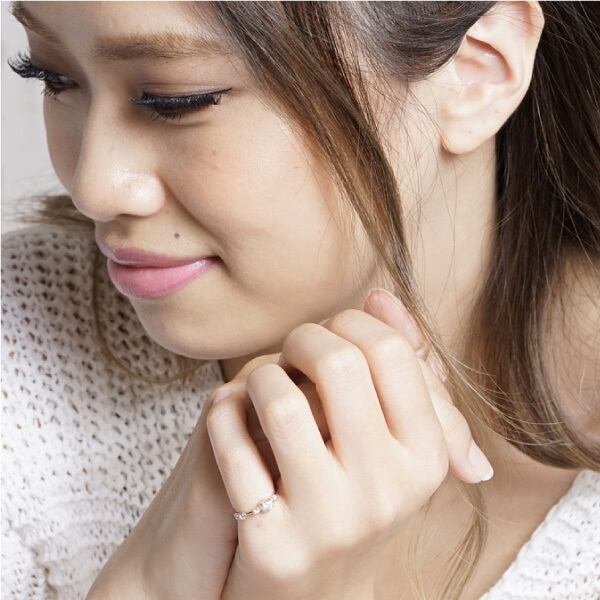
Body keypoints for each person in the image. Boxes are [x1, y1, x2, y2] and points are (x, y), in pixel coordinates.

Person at [2, 1, 599, 599]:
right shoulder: (22, 352)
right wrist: (145, 588)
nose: (94, 188)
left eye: (176, 100)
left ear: (476, 73)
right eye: (53, 76)